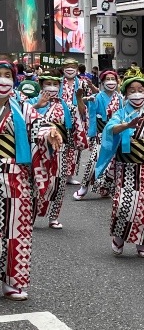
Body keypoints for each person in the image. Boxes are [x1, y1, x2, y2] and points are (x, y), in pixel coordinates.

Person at [0, 59, 62, 300]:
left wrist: (50, 133)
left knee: (16, 229)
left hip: (15, 173)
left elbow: (39, 125)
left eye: (7, 75)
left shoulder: (22, 107)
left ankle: (12, 281)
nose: (3, 79)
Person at [95, 67, 144, 257]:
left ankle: (142, 243)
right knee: (125, 205)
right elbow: (110, 130)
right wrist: (126, 126)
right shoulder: (121, 114)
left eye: (140, 90)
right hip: (127, 167)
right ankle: (119, 238)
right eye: (132, 91)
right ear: (126, 94)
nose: (137, 94)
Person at [32, 69, 88, 228]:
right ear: (41, 85)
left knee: (59, 183)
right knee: (36, 182)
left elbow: (80, 116)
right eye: (48, 84)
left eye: (55, 84)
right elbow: (23, 121)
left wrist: (79, 99)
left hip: (61, 149)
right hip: (38, 150)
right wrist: (37, 105)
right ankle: (32, 215)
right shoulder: (31, 103)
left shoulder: (66, 106)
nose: (52, 87)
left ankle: (53, 217)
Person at [74, 70, 121, 200]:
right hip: (102, 134)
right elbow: (83, 109)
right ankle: (84, 187)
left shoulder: (121, 98)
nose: (111, 81)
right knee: (94, 161)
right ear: (102, 82)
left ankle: (105, 187)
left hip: (118, 135)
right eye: (108, 79)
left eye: (113, 78)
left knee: (114, 164)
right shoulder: (97, 97)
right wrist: (80, 98)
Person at [59, 57, 93, 184]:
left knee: (74, 147)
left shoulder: (82, 83)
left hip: (78, 117)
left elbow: (89, 99)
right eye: (67, 67)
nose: (70, 69)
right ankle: (59, 173)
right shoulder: (58, 83)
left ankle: (70, 175)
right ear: (63, 69)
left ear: (77, 69)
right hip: (61, 117)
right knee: (61, 145)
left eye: (73, 67)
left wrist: (82, 100)